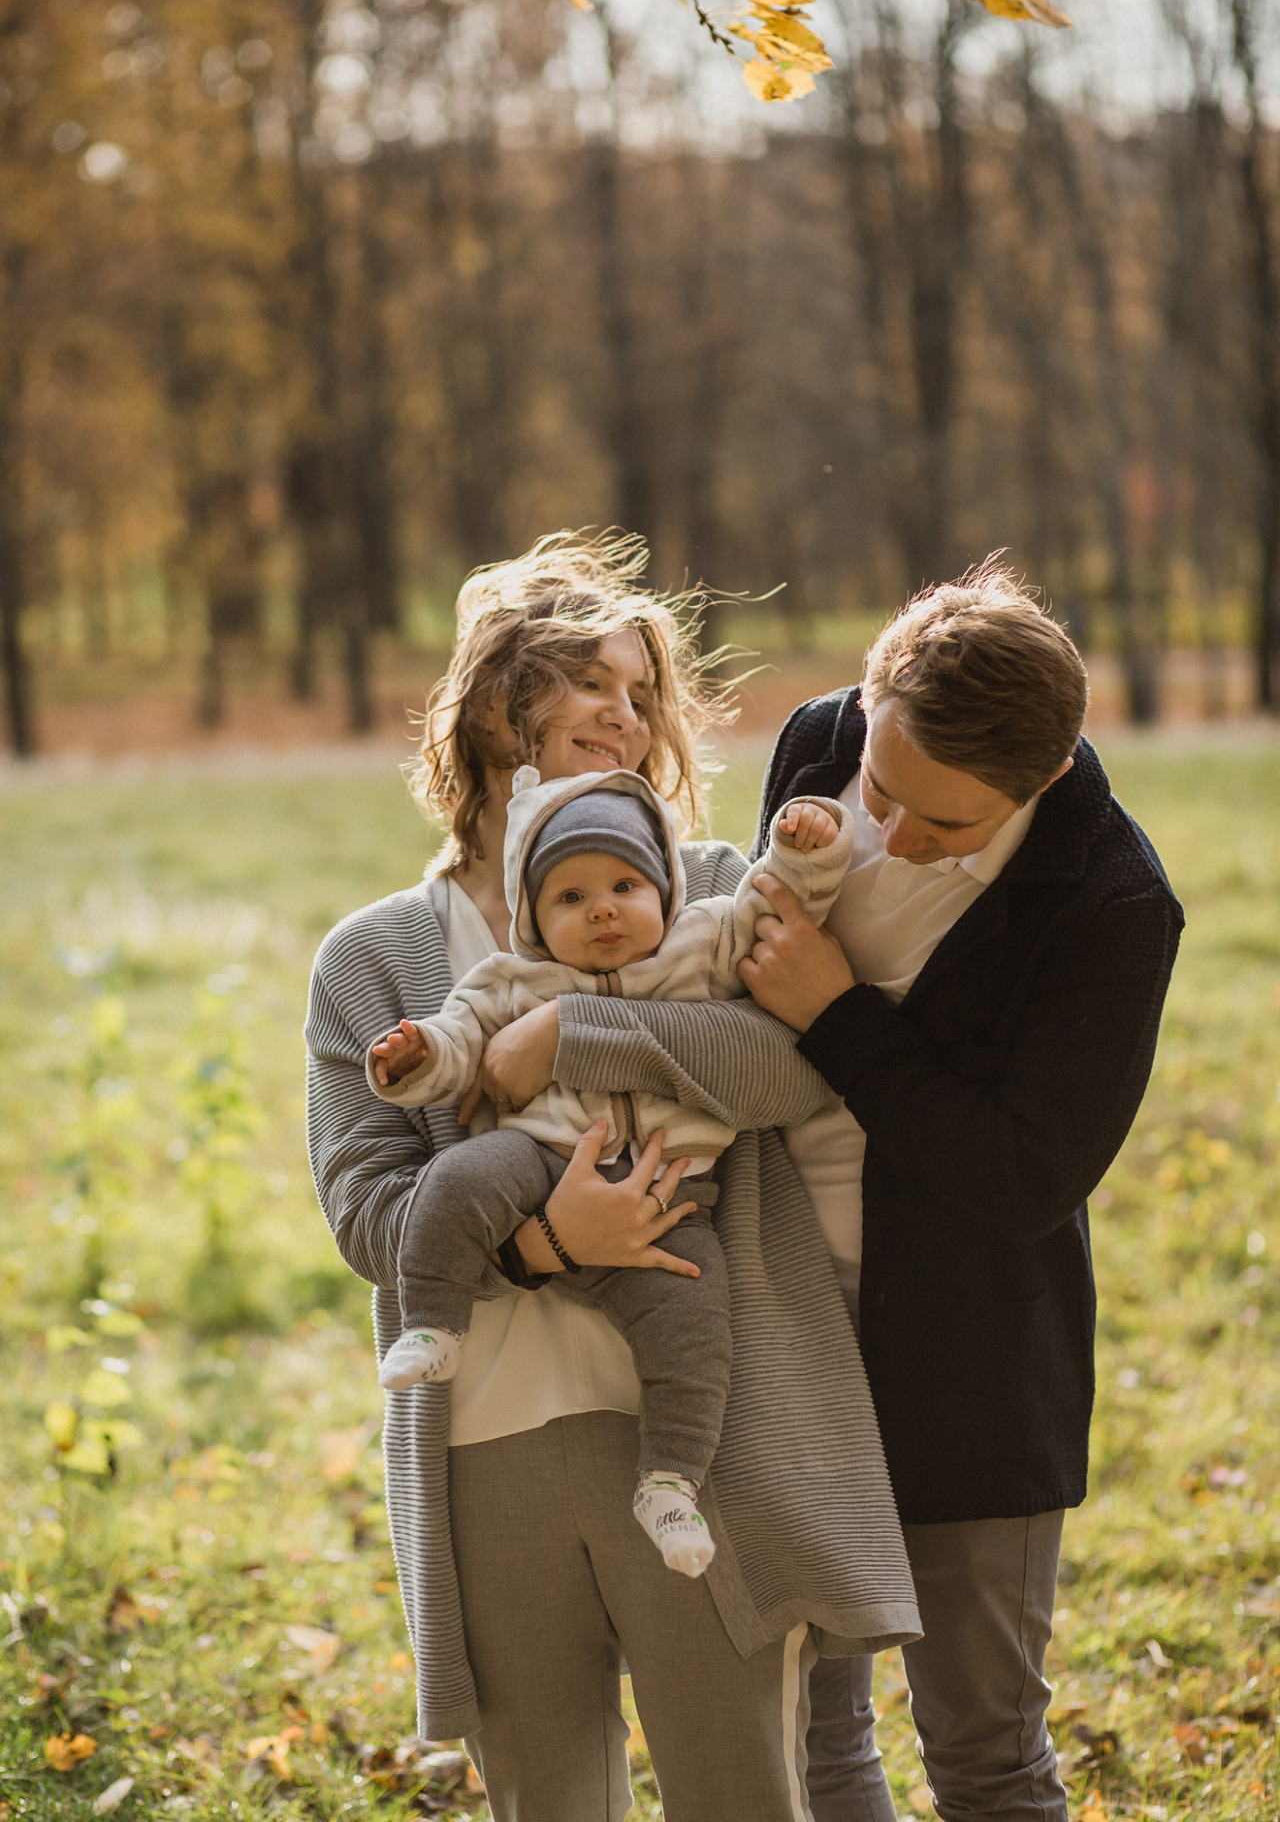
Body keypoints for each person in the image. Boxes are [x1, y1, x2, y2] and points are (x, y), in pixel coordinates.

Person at [304, 533, 920, 1822]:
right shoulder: (371, 959)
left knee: (745, 1792)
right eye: (596, 682)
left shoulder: (695, 897)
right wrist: (542, 1242)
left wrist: (569, 1034)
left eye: (645, 697)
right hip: (486, 1443)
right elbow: (365, 1207)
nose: (628, 718)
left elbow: (788, 1073)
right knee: (547, 1803)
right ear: (494, 701)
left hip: (697, 1434)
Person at [732, 563, 1184, 1822]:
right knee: (804, 1740)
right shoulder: (821, 742)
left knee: (983, 1756)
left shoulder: (1108, 905)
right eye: (882, 790)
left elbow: (1018, 1180)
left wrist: (833, 1014)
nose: (891, 833)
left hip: (972, 1369)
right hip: (783, 1334)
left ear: (1039, 779)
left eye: (945, 826)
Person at [364, 762, 850, 1578]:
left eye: (626, 884)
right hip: (536, 1160)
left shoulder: (705, 943)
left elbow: (778, 905)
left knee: (697, 1327)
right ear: (533, 920)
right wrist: (414, 1061)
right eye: (569, 898)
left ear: (664, 888)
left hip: (672, 1198)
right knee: (455, 1184)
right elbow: (457, 1046)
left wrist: (804, 855)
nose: (603, 910)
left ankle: (669, 1483)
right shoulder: (508, 981)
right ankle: (435, 1323)